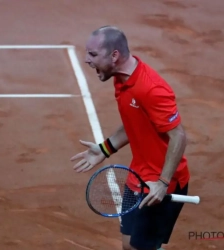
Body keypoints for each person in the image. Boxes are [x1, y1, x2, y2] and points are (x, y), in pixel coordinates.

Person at [70, 26, 190, 250]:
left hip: (161, 182)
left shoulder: (151, 89)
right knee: (129, 245)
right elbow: (134, 122)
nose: (86, 59)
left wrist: (163, 183)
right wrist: (104, 149)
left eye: (93, 54)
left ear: (114, 55)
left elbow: (179, 136)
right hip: (137, 175)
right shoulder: (121, 79)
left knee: (140, 248)